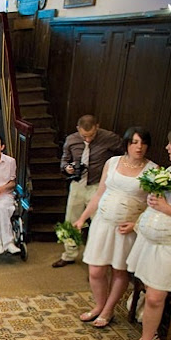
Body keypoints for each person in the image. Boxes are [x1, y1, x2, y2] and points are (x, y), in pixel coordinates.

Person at [72, 127, 155, 328]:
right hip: (102, 221)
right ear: (127, 144)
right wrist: (82, 218)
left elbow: (154, 206)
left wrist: (136, 224)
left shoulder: (153, 170)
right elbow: (100, 193)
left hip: (126, 226)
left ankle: (108, 310)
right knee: (96, 270)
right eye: (134, 142)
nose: (139, 147)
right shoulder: (112, 162)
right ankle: (99, 305)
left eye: (143, 143)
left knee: (119, 271)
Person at [125, 124, 171, 340]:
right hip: (151, 242)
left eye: (170, 144)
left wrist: (165, 208)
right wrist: (139, 221)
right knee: (148, 291)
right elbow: (156, 205)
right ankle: (147, 337)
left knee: (154, 297)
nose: (166, 148)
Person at [53, 114, 123, 267]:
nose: (88, 140)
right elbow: (64, 161)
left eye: (91, 135)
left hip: (98, 186)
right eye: (84, 136)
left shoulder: (110, 138)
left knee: (98, 223)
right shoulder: (71, 140)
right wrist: (67, 168)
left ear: (97, 127)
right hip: (77, 185)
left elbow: (122, 156)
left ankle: (95, 259)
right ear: (78, 129)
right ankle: (69, 254)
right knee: (71, 220)